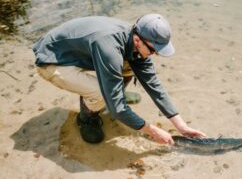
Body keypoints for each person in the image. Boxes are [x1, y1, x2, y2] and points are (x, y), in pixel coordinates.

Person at [32, 14, 206, 144]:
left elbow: (154, 86)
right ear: (138, 39)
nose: (156, 55)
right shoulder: (110, 48)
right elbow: (117, 109)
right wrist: (152, 131)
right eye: (154, 50)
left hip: (80, 52)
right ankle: (87, 118)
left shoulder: (135, 40)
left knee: (130, 67)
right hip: (54, 60)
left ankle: (114, 93)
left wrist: (181, 126)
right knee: (102, 94)